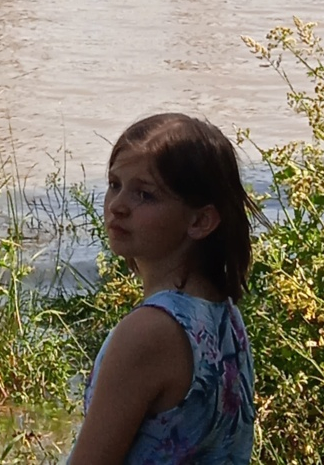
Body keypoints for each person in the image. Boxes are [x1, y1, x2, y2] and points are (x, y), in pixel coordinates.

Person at [68, 114, 256, 465]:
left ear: (200, 221)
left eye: (145, 194)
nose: (117, 206)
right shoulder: (225, 317)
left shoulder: (150, 331)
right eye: (114, 184)